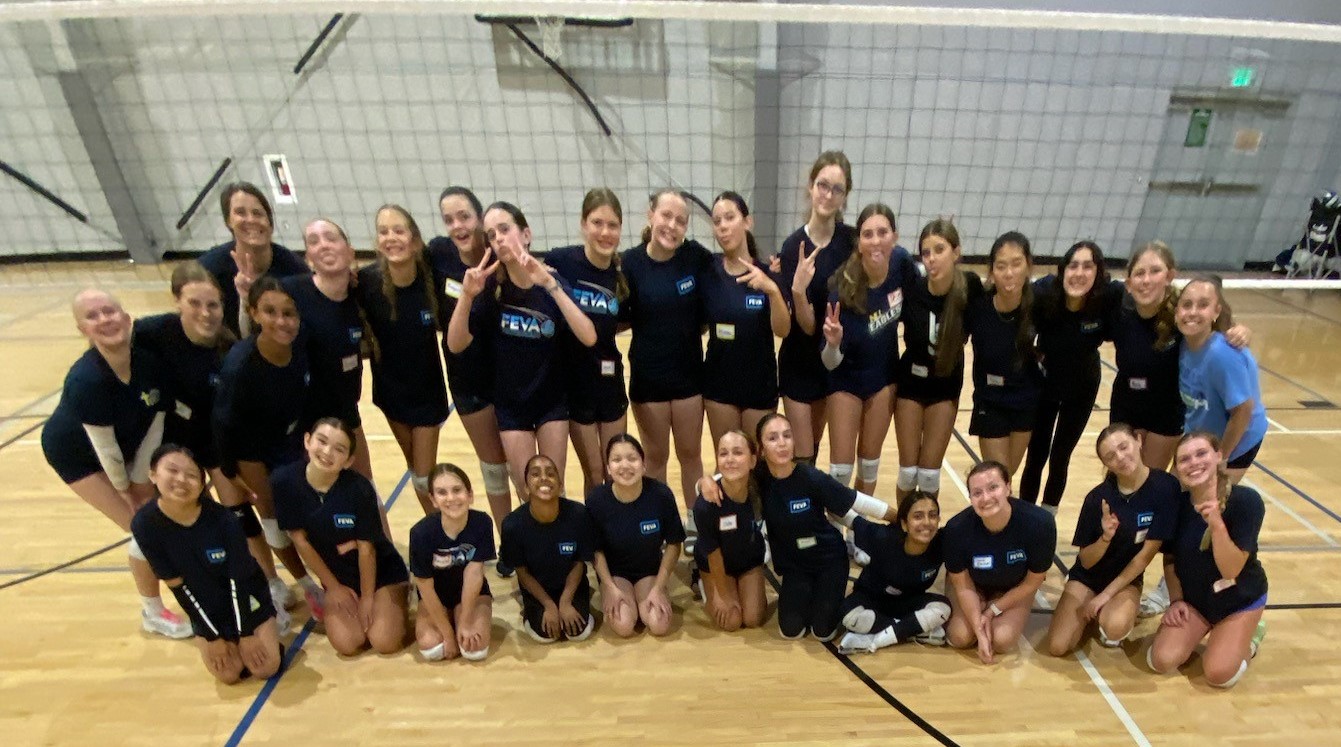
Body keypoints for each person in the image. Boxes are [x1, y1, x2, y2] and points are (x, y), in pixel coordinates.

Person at [135, 263, 293, 627]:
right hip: (173, 447)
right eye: (195, 303)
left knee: (238, 514)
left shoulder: (227, 346)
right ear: (178, 302)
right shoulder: (152, 334)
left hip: (216, 443)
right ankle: (155, 608)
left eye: (212, 305)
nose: (205, 313)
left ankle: (269, 583)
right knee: (156, 522)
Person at [41, 289, 190, 639]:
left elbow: (155, 424)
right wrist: (126, 491)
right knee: (144, 527)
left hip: (131, 446)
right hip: (77, 455)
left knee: (152, 517)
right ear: (82, 330)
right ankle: (152, 612)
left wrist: (142, 481)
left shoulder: (147, 363)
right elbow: (103, 448)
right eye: (93, 316)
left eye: (110, 311)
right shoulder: (86, 381)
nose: (105, 319)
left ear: (126, 318)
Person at [700, 413, 896, 641]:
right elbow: (723, 478)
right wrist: (703, 481)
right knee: (790, 630)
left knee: (822, 631)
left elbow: (856, 502)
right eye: (773, 438)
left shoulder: (811, 477)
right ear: (761, 450)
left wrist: (899, 517)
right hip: (795, 565)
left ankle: (849, 602)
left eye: (787, 436)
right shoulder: (759, 477)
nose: (782, 443)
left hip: (828, 560)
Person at [447, 202, 597, 492]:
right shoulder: (489, 288)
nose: (499, 238)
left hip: (551, 402)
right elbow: (456, 344)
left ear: (526, 234)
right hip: (512, 406)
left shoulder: (550, 280)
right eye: (491, 235)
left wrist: (550, 285)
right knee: (527, 490)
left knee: (552, 487)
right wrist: (466, 296)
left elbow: (588, 336)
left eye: (505, 229)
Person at [131, 444, 282, 683]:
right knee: (229, 674)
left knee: (266, 668)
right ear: (153, 475)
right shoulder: (145, 525)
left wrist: (246, 634)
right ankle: (228, 640)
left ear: (202, 485)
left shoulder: (225, 520)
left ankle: (264, 627)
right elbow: (178, 587)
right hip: (207, 607)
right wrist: (212, 636)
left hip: (247, 597)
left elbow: (240, 581)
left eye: (191, 475)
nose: (181, 480)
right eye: (172, 470)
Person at [213, 277, 318, 611]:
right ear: (253, 313)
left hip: (288, 440)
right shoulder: (240, 367)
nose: (281, 321)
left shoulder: (300, 347)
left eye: (289, 313)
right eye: (270, 312)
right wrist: (231, 473)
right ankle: (304, 583)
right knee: (273, 516)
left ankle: (321, 573)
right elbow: (224, 425)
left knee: (304, 507)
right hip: (252, 452)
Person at [272, 418, 409, 655]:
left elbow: (367, 550)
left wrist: (367, 599)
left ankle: (399, 594)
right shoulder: (284, 482)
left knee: (383, 641)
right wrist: (333, 588)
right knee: (348, 644)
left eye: (339, 449)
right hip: (339, 576)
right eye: (322, 442)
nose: (327, 452)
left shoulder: (360, 489)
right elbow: (300, 540)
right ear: (307, 440)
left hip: (380, 572)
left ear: (348, 461)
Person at [1044, 424, 1180, 656]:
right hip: (1087, 578)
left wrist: (1105, 597)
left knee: (1115, 628)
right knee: (1058, 647)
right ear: (1106, 464)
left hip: (1126, 581)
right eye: (1110, 456)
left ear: (1138, 440)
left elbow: (1144, 557)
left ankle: (1107, 610)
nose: (1120, 457)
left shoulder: (1165, 487)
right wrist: (1105, 538)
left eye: (1123, 447)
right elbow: (1086, 561)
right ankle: (1090, 610)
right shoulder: (1098, 498)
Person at [426, 186, 513, 549]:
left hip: (511, 379)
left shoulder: (503, 255)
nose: (457, 226)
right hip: (467, 381)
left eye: (464, 217)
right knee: (493, 466)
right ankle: (508, 542)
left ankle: (529, 540)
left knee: (523, 467)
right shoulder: (438, 255)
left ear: (479, 219)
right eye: (449, 219)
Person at [1146, 432, 1268, 688]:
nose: (1194, 463)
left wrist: (1215, 523)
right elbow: (1169, 559)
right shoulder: (1177, 505)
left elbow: (1231, 569)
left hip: (1239, 599)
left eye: (1201, 454)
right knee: (1161, 660)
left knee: (1218, 675)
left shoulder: (1246, 502)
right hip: (1195, 601)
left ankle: (1251, 639)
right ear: (1177, 468)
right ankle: (1205, 630)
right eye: (1185, 459)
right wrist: (1176, 600)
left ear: (1218, 456)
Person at [620, 189, 713, 517]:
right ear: (650, 215)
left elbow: (728, 272)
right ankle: (658, 525)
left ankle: (694, 523)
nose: (672, 226)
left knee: (691, 455)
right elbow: (618, 317)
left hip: (689, 378)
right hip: (649, 381)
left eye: (680, 221)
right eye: (666, 216)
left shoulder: (695, 258)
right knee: (655, 458)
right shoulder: (629, 263)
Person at [356, 204, 450, 515]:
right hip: (391, 393)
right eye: (383, 232)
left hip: (428, 392)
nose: (391, 238)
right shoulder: (365, 283)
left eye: (399, 230)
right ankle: (436, 529)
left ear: (415, 239)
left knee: (423, 475)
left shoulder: (431, 276)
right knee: (415, 469)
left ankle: (439, 529)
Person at [1020, 241, 1122, 514]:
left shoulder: (1107, 297)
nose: (1079, 273)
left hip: (1083, 387)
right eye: (1073, 265)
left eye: (1088, 266)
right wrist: (1033, 354)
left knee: (1061, 455)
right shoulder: (1044, 292)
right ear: (1063, 270)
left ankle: (1049, 515)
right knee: (1036, 454)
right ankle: (1027, 515)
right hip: (1046, 385)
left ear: (1098, 272)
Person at [819, 203, 912, 499]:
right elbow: (830, 364)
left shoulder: (902, 266)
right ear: (858, 243)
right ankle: (836, 530)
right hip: (845, 380)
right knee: (841, 471)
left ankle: (858, 536)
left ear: (894, 237)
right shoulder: (842, 289)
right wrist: (833, 343)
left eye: (883, 232)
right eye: (868, 234)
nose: (876, 241)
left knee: (869, 466)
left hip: (883, 379)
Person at [542, 188, 630, 496]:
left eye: (612, 225)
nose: (605, 232)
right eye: (597, 223)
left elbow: (626, 318)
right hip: (574, 384)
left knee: (615, 468)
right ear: (583, 224)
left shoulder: (623, 271)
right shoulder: (561, 262)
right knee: (594, 473)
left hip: (610, 381)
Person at [775, 151, 855, 464]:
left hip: (832, 360)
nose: (828, 194)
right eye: (823, 185)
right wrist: (797, 289)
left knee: (815, 447)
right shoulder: (794, 246)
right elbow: (806, 327)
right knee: (803, 455)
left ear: (844, 196)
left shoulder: (851, 243)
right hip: (798, 360)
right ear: (810, 187)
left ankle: (809, 507)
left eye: (837, 189)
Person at [894, 219, 980, 502]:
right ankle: (903, 530)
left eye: (939, 250)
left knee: (929, 474)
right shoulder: (913, 288)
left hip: (945, 386)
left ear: (956, 252)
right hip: (910, 384)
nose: (931, 259)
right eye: (926, 252)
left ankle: (927, 532)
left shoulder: (970, 287)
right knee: (908, 472)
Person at [283, 218, 374, 482]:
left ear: (350, 252)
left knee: (365, 491)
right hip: (303, 422)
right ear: (308, 257)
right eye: (313, 241)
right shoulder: (291, 293)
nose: (323, 245)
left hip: (345, 413)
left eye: (330, 238)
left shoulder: (361, 295)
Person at [943, 460, 1057, 664]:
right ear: (970, 498)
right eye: (977, 493)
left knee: (1002, 641)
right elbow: (963, 586)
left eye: (993, 487)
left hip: (1015, 587)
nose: (985, 498)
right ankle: (980, 612)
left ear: (1008, 487)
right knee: (960, 636)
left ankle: (995, 605)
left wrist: (992, 610)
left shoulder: (1040, 524)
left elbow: (1033, 581)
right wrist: (979, 629)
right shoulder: (956, 529)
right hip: (972, 585)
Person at [701, 191, 789, 447]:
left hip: (759, 387)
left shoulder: (767, 274)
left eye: (730, 217)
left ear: (747, 222)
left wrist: (771, 289)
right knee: (728, 462)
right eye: (717, 221)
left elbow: (782, 330)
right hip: (719, 388)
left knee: (757, 465)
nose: (723, 226)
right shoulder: (708, 271)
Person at [587, 434, 685, 637]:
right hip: (615, 574)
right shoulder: (597, 500)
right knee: (623, 627)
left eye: (632, 458)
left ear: (643, 464)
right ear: (608, 468)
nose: (625, 466)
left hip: (649, 570)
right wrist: (609, 587)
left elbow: (675, 544)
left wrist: (659, 586)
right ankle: (630, 603)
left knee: (659, 625)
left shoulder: (661, 495)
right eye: (616, 460)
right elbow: (595, 550)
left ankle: (642, 601)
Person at [1177, 275, 1268, 484]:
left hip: (1238, 441)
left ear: (1216, 312)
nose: (1192, 312)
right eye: (1186, 305)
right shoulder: (1184, 344)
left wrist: (1220, 458)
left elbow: (1243, 411)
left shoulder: (1221, 355)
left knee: (1208, 503)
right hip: (1202, 435)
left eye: (1202, 305)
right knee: (1178, 492)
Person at [965, 232, 1040, 482]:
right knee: (998, 477)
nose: (1009, 273)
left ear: (1029, 267)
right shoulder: (978, 307)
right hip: (990, 401)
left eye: (1016, 264)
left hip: (1024, 402)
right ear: (991, 271)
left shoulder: (1041, 304)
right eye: (1001, 266)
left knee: (1007, 476)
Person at [836, 491, 950, 654]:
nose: (927, 522)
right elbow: (848, 517)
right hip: (872, 598)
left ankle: (878, 638)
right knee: (848, 615)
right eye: (918, 516)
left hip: (909, 602)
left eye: (932, 515)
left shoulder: (942, 543)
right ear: (904, 524)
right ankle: (913, 628)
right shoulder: (882, 538)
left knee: (943, 607)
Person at [499, 455, 598, 643]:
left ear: (560, 485)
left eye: (551, 474)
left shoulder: (579, 514)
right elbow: (521, 571)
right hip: (537, 587)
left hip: (571, 585)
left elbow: (579, 562)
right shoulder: (512, 525)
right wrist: (548, 605)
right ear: (526, 487)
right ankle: (531, 607)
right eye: (535, 474)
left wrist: (566, 601)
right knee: (545, 636)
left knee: (579, 633)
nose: (544, 478)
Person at [197, 182, 308, 338]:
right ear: (228, 221)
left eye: (257, 213)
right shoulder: (209, 270)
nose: (250, 220)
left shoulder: (295, 270)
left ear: (270, 223)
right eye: (240, 213)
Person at [409, 464, 495, 662]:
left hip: (472, 593)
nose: (451, 498)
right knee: (432, 648)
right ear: (433, 500)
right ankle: (446, 619)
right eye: (442, 492)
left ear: (470, 494)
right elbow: (424, 586)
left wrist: (464, 622)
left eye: (457, 490)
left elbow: (473, 575)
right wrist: (448, 634)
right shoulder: (421, 533)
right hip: (435, 595)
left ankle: (459, 616)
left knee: (475, 650)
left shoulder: (482, 523)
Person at [692, 431, 768, 631]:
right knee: (732, 621)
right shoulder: (707, 504)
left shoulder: (761, 487)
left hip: (749, 559)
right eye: (723, 454)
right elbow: (713, 554)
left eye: (738, 453)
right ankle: (703, 583)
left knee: (752, 619)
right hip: (716, 563)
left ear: (752, 460)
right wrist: (723, 595)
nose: (730, 460)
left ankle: (745, 584)